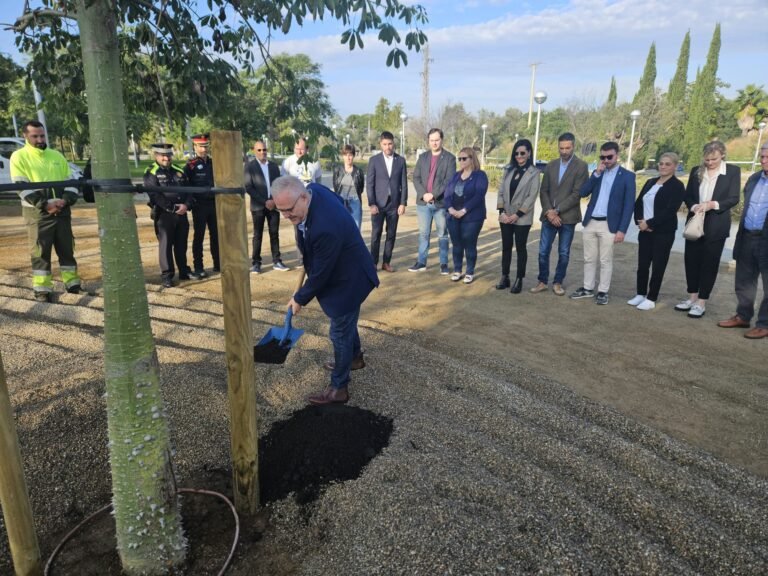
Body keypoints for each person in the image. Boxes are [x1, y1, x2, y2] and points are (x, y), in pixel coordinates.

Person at [273, 176, 379, 405]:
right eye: (281, 211)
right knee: (346, 322)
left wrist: (299, 298)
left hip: (350, 279)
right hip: (345, 267)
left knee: (339, 331)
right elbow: (339, 201)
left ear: (303, 198)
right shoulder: (314, 189)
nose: (286, 216)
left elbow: (320, 275)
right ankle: (354, 358)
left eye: (289, 210)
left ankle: (339, 388)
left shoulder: (325, 228)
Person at [10, 120, 82, 301]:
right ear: (25, 136)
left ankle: (73, 284)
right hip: (38, 214)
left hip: (62, 211)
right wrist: (45, 205)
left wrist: (65, 201)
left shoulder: (56, 155)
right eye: (35, 136)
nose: (40, 139)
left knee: (67, 249)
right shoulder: (19, 157)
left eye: (42, 135)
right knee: (40, 252)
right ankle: (42, 289)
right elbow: (21, 186)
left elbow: (71, 181)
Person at [675, 141, 741, 318]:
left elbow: (734, 198)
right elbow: (688, 195)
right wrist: (694, 206)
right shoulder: (696, 170)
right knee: (691, 261)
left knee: (709, 264)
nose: (710, 163)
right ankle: (692, 298)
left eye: (714, 159)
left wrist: (713, 204)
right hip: (695, 223)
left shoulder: (732, 171)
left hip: (717, 225)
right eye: (707, 159)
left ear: (723, 155)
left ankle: (702, 302)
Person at [569, 141, 635, 305]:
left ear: (617, 156)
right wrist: (596, 174)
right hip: (591, 221)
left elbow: (628, 206)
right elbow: (583, 192)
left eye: (609, 157)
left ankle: (603, 291)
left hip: (609, 224)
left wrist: (622, 230)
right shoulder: (597, 173)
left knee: (605, 260)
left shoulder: (627, 176)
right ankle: (587, 288)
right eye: (603, 157)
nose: (606, 160)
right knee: (588, 258)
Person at [716, 142, 768, 338]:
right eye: (762, 156)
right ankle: (743, 316)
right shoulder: (754, 179)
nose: (764, 161)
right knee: (744, 281)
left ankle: (764, 324)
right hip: (747, 236)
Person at [530, 132, 589, 296]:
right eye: (561, 148)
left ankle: (557, 282)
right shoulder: (551, 165)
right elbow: (544, 191)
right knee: (543, 251)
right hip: (548, 216)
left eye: (567, 148)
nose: (564, 151)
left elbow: (577, 194)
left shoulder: (581, 166)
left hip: (568, 218)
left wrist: (557, 211)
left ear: (573, 146)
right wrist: (549, 211)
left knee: (563, 252)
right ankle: (542, 281)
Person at [626, 152, 685, 310]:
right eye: (661, 163)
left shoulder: (677, 186)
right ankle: (640, 293)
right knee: (643, 265)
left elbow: (670, 210)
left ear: (675, 166)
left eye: (667, 164)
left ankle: (651, 298)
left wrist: (650, 223)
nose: (663, 166)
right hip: (644, 230)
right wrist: (640, 222)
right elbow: (639, 203)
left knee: (658, 265)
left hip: (663, 232)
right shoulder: (650, 182)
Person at [144, 143, 192, 288]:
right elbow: (154, 194)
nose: (166, 158)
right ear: (156, 155)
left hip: (182, 213)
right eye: (163, 155)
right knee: (165, 246)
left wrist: (186, 205)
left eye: (168, 155)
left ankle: (183, 271)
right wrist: (172, 207)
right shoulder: (151, 172)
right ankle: (167, 275)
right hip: (164, 215)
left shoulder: (178, 170)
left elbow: (190, 190)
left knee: (181, 244)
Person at [496, 139, 541, 293]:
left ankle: (519, 278)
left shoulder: (534, 172)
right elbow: (501, 191)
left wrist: (517, 215)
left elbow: (531, 196)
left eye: (522, 153)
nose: (519, 156)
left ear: (529, 153)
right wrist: (502, 212)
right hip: (505, 216)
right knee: (506, 247)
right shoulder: (508, 169)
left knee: (521, 248)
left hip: (522, 217)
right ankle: (505, 276)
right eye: (516, 153)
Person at [408, 128, 456, 274]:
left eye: (437, 140)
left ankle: (444, 264)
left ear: (442, 140)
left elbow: (449, 181)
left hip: (440, 204)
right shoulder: (422, 157)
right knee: (423, 234)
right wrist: (424, 194)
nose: (434, 143)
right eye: (432, 140)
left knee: (442, 235)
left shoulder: (450, 158)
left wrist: (433, 194)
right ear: (428, 141)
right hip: (423, 203)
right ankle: (421, 262)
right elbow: (416, 178)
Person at [444, 147, 488, 284]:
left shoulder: (480, 175)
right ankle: (457, 270)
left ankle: (469, 272)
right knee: (456, 244)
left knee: (469, 244)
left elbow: (479, 195)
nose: (461, 161)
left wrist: (463, 210)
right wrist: (450, 209)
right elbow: (447, 194)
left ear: (472, 159)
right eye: (459, 159)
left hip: (472, 217)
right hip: (453, 216)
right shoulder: (456, 175)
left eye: (464, 158)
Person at [244, 140, 289, 273]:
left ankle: (277, 261)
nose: (262, 152)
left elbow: (279, 184)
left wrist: (273, 200)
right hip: (258, 206)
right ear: (254, 151)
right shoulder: (249, 166)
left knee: (274, 233)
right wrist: (265, 201)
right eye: (259, 150)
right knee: (257, 235)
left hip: (273, 206)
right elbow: (249, 187)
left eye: (264, 150)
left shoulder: (273, 166)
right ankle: (256, 263)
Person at [366, 131, 408, 272]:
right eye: (385, 144)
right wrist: (372, 203)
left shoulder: (400, 161)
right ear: (381, 144)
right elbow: (369, 184)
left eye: (390, 144)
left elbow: (404, 184)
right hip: (378, 204)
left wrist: (403, 203)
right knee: (376, 234)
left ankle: (386, 262)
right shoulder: (374, 160)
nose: (388, 147)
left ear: (393, 143)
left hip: (394, 205)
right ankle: (373, 263)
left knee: (391, 234)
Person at [184, 133, 219, 278]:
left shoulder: (214, 163)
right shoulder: (190, 166)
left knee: (216, 235)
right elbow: (186, 186)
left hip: (214, 204)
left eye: (206, 146)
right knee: (199, 236)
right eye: (201, 146)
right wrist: (191, 202)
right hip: (199, 205)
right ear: (195, 147)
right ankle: (198, 266)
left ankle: (218, 263)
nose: (204, 149)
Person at [331, 143, 365, 230]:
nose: (348, 158)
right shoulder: (337, 171)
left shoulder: (358, 172)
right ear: (343, 156)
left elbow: (361, 188)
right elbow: (336, 187)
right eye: (346, 155)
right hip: (341, 202)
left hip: (355, 201)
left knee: (356, 228)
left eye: (350, 155)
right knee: (341, 229)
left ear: (353, 156)